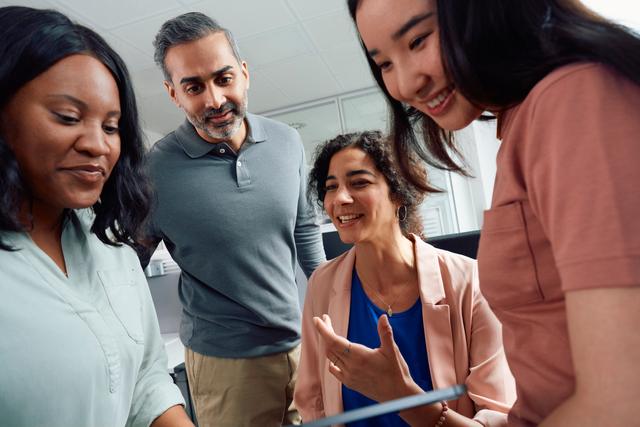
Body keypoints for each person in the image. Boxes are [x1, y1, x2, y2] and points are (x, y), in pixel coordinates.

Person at [347, 0, 640, 425]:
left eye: (418, 40)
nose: (407, 83)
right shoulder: (520, 123)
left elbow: (620, 402)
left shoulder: (572, 100)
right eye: (385, 64)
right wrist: (406, 398)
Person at [0, 6, 193, 427]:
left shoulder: (110, 245)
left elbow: (145, 379)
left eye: (111, 126)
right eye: (68, 118)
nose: (98, 145)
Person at [144, 11, 326, 427]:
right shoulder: (152, 172)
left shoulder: (287, 142)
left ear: (244, 74)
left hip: (301, 342)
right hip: (225, 365)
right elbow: (128, 270)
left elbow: (304, 230)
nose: (214, 100)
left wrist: (335, 307)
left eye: (223, 78)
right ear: (174, 94)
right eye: (193, 87)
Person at [294, 131, 515, 426]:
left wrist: (399, 396)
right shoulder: (322, 283)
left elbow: (499, 419)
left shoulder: (472, 282)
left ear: (400, 192)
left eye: (359, 182)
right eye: (331, 187)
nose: (340, 198)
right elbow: (312, 401)